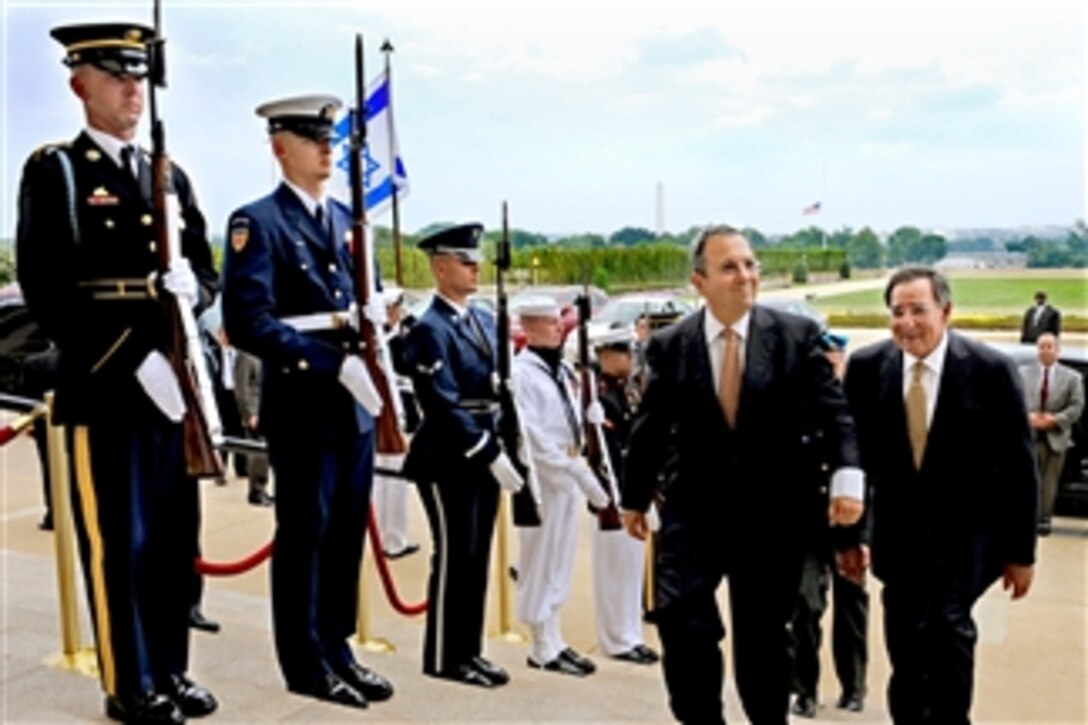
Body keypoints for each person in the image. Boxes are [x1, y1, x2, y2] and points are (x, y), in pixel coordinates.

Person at [15, 22, 218, 723]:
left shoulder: (169, 174)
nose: (134, 87)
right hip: (108, 386)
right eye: (115, 75)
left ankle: (170, 668)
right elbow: (48, 285)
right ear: (81, 85)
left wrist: (193, 297)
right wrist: (132, 359)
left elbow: (207, 274)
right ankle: (129, 681)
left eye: (139, 75)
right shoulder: (59, 171)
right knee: (122, 544)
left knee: (170, 543)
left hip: (173, 388)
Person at [621, 225, 864, 724]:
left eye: (750, 264)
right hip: (695, 513)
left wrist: (846, 478)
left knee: (762, 640)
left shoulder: (794, 338)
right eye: (729, 267)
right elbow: (650, 427)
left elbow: (835, 414)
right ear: (700, 281)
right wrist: (633, 497)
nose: (745, 276)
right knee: (681, 619)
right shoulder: (671, 345)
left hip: (771, 516)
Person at [221, 94, 393, 710]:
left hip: (351, 401)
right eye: (311, 137)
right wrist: (331, 361)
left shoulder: (347, 220)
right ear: (280, 148)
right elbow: (248, 322)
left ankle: (336, 646)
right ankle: (304, 660)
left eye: (329, 136)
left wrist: (377, 317)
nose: (327, 147)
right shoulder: (257, 222)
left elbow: (352, 306)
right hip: (304, 398)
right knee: (307, 530)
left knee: (346, 528)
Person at [842, 265, 1039, 724]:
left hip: (964, 549)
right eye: (897, 311)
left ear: (946, 311)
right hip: (898, 549)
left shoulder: (990, 371)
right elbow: (851, 463)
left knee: (947, 641)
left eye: (918, 310)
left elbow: (1018, 470)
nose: (906, 322)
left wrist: (1020, 554)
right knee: (907, 659)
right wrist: (849, 537)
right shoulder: (869, 369)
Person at [402, 222, 525, 688]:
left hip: (481, 449)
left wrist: (498, 389)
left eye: (476, 260)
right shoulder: (428, 328)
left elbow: (484, 379)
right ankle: (443, 655)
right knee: (455, 555)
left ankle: (468, 651)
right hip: (447, 456)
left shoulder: (480, 320)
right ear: (439, 267)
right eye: (465, 260)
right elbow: (440, 401)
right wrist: (487, 449)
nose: (476, 268)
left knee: (476, 557)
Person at [512, 296, 611, 676]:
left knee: (560, 561)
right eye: (552, 324)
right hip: (546, 480)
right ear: (532, 329)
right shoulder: (523, 375)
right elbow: (533, 439)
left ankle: (554, 637)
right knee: (540, 561)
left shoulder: (558, 369)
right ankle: (540, 644)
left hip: (566, 473)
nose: (560, 329)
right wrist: (574, 471)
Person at [788, 332, 869, 718]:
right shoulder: (801, 402)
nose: (829, 364)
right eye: (823, 357)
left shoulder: (859, 405)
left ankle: (854, 686)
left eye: (834, 357)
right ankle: (804, 688)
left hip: (850, 528)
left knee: (851, 610)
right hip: (808, 525)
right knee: (805, 608)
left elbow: (875, 478)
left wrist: (865, 536)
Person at [590, 329, 659, 666]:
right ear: (606, 355)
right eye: (624, 352)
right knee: (615, 571)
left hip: (632, 494)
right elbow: (607, 455)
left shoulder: (625, 391)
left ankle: (629, 633)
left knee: (632, 569)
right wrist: (620, 498)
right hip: (612, 496)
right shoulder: (600, 396)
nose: (631, 359)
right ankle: (616, 638)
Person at [1019, 332, 1084, 536]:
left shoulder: (1073, 377)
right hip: (1028, 435)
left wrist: (1055, 420)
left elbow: (1077, 406)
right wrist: (1028, 417)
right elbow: (1013, 400)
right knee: (1027, 479)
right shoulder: (1022, 373)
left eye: (1050, 347)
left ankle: (1043, 519)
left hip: (1055, 436)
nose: (1045, 351)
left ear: (1058, 350)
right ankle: (1026, 518)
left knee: (1049, 481)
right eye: (1042, 347)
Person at [373, 285, 420, 559]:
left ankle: (386, 535)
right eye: (395, 309)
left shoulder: (385, 340)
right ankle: (393, 539)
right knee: (392, 481)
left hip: (388, 414)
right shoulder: (390, 342)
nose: (399, 314)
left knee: (385, 480)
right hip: (391, 416)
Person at [232, 346, 273, 506]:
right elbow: (242, 389)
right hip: (255, 412)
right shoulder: (245, 356)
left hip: (266, 410)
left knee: (265, 454)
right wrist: (249, 414)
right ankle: (256, 490)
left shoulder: (263, 354)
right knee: (258, 455)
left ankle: (262, 488)